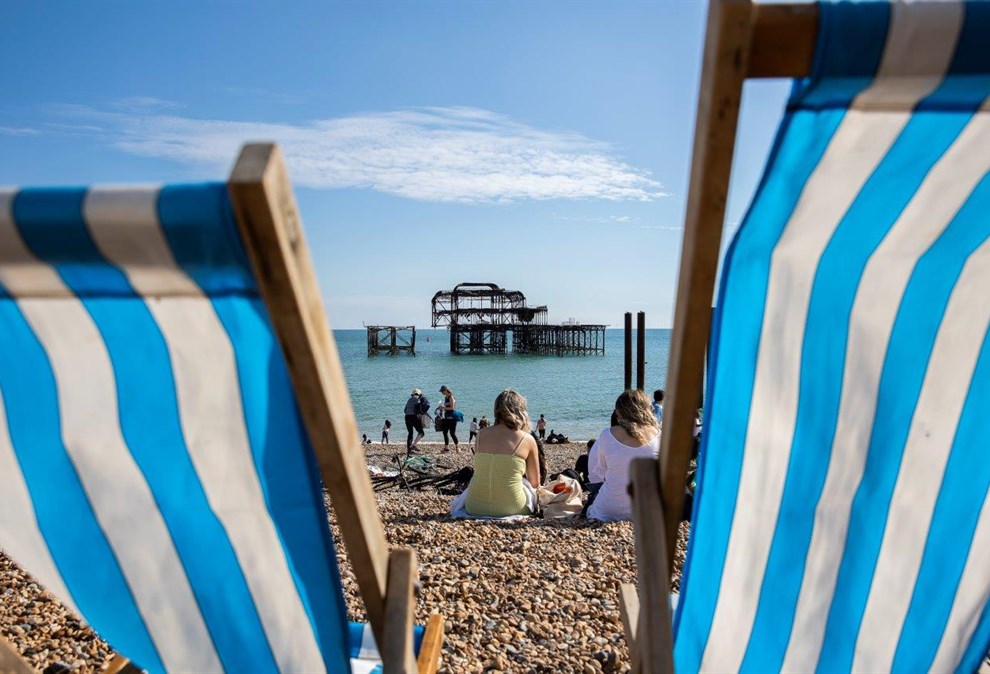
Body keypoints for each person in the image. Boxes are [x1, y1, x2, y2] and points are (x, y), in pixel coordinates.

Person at [463, 389, 541, 517]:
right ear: (520, 411)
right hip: (512, 507)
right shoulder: (526, 439)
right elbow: (535, 482)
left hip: (474, 506)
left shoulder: (481, 435)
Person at [586, 390, 661, 522]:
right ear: (647, 409)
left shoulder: (607, 434)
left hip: (609, 508)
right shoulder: (659, 435)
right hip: (648, 509)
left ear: (618, 412)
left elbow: (600, 473)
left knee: (596, 497)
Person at [403, 389, 428, 454]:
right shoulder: (418, 399)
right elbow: (420, 408)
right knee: (421, 432)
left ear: (413, 394)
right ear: (419, 394)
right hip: (413, 417)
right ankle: (413, 445)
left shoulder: (409, 400)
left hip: (406, 417)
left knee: (410, 434)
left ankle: (409, 450)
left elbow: (405, 411)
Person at [438, 385, 461, 453]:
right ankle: (446, 447)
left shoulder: (451, 397)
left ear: (446, 390)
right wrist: (442, 406)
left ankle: (457, 447)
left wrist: (443, 408)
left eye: (442, 391)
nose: (442, 393)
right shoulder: (446, 397)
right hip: (446, 417)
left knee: (452, 433)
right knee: (445, 432)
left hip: (452, 417)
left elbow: (452, 408)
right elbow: (447, 406)